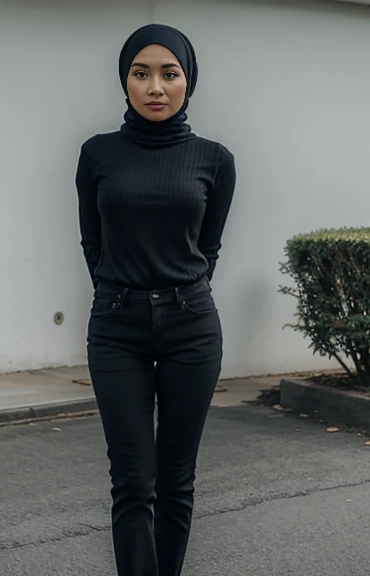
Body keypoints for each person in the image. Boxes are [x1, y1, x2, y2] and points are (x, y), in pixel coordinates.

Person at [75, 23, 237, 576]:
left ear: (188, 81)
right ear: (125, 82)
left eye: (170, 74)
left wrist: (178, 293)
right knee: (132, 481)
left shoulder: (215, 160)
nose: (155, 87)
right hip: (116, 326)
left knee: (175, 480)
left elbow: (208, 247)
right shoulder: (97, 154)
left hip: (191, 326)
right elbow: (91, 240)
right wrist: (118, 291)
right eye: (141, 73)